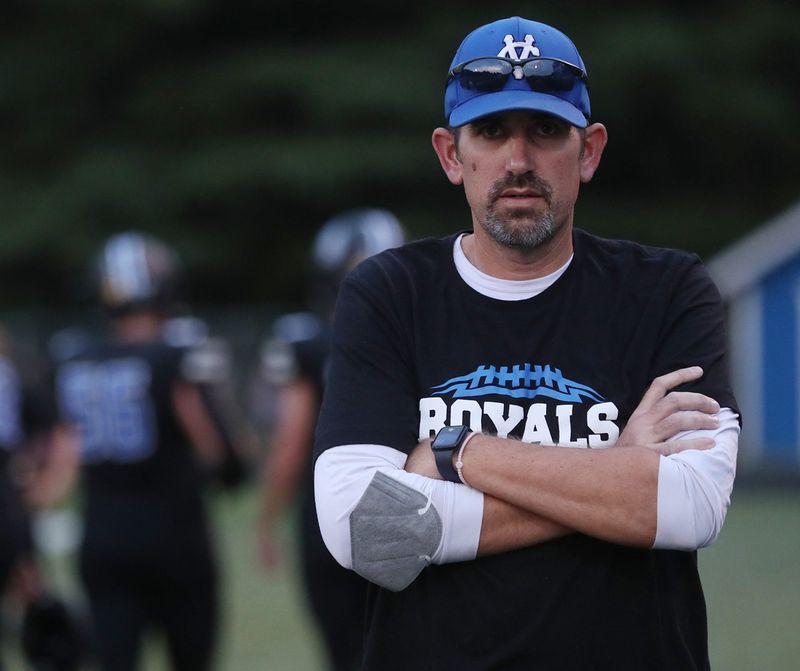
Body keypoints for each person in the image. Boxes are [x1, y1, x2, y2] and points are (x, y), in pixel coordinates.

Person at [313, 16, 740, 670]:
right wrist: (616, 473)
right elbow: (364, 533)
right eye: (491, 131)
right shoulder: (389, 293)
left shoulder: (666, 290)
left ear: (589, 150)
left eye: (545, 131)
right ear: (452, 155)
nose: (518, 161)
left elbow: (692, 505)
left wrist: (459, 450)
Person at [53, 231, 245, 671]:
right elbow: (217, 451)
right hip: (173, 535)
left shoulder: (77, 356)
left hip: (101, 534)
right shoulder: (176, 354)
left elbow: (64, 453)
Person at [256, 209, 405, 671]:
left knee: (345, 655)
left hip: (329, 514)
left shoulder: (308, 339)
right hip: (412, 509)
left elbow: (292, 440)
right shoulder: (420, 335)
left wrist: (267, 518)